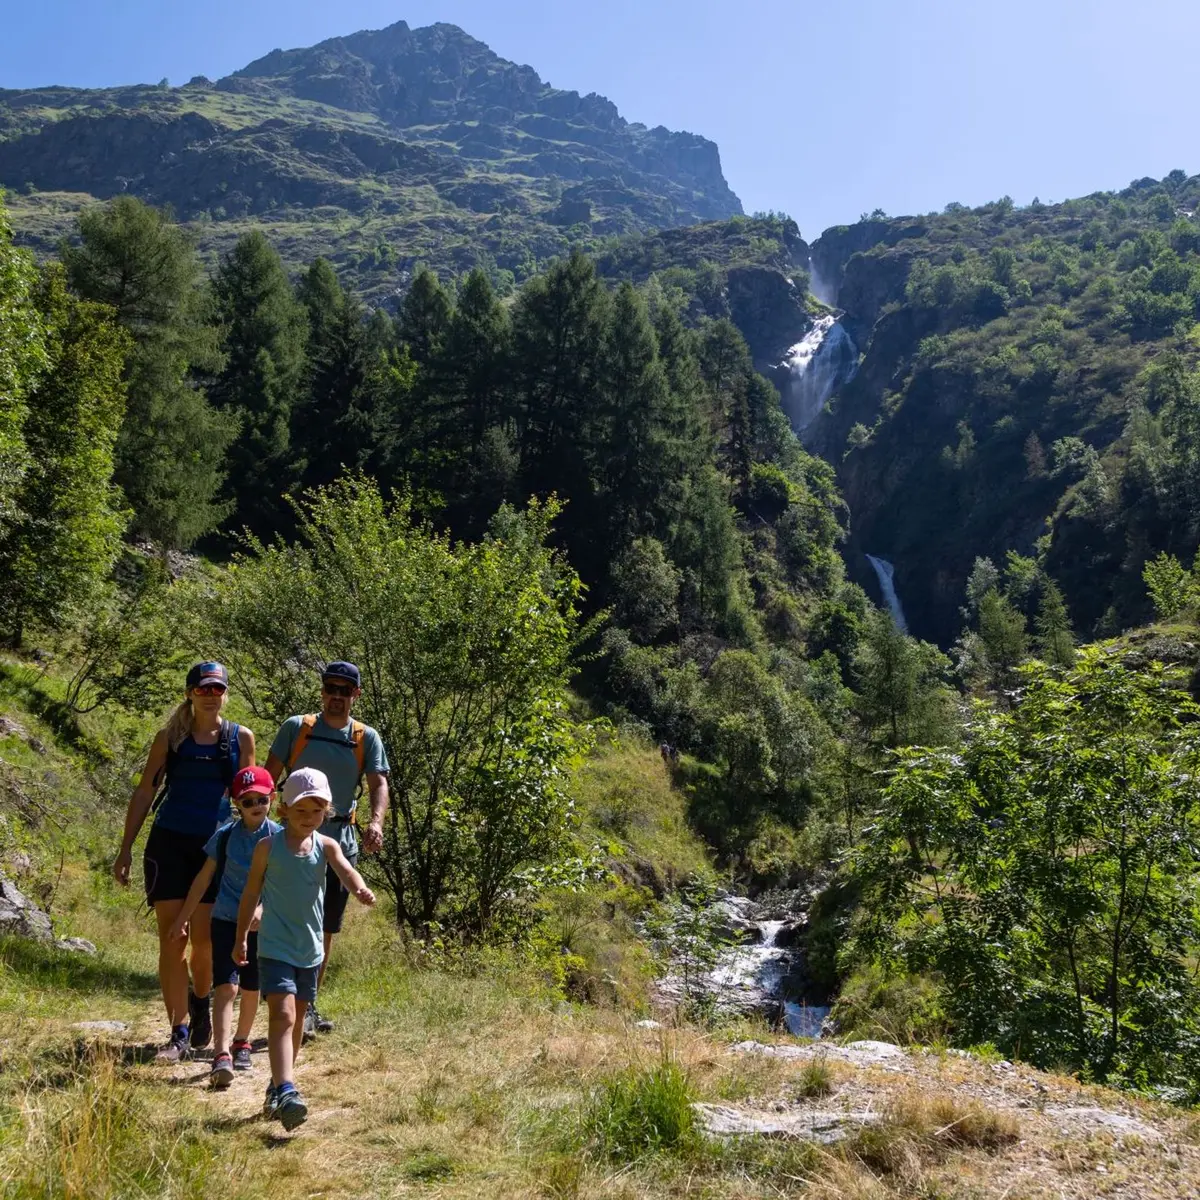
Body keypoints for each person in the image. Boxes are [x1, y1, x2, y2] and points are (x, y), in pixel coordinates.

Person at [113, 662, 255, 1063]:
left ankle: (199, 1000)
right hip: (169, 845)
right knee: (172, 939)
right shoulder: (170, 739)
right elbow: (144, 792)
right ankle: (177, 1032)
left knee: (205, 942)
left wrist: (254, 855)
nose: (211, 695)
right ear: (191, 693)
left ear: (225, 694)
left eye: (218, 689)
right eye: (204, 689)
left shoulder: (239, 738)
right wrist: (125, 848)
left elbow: (252, 798)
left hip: (215, 850)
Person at [236, 767, 375, 1131]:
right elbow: (251, 893)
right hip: (275, 946)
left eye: (316, 812)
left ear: (326, 812)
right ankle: (287, 1088)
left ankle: (278, 1086)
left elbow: (345, 870)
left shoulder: (326, 845)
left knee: (296, 1019)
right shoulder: (268, 847)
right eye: (301, 811)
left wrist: (359, 889)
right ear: (283, 809)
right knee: (281, 1015)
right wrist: (240, 937)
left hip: (310, 949)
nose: (308, 819)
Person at [265, 661, 388, 1035]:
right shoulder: (297, 728)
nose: (337, 696)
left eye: (344, 690)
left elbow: (378, 783)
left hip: (338, 843)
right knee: (282, 917)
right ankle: (274, 994)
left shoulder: (366, 738)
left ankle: (308, 1005)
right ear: (322, 691)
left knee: (325, 926)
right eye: (330, 688)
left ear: (356, 695)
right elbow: (267, 777)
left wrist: (376, 821)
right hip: (289, 841)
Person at [169, 765, 281, 1088]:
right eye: (248, 802)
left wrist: (265, 908)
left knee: (251, 987)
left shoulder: (278, 837)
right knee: (226, 987)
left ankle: (242, 1041)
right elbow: (202, 880)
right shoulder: (225, 837)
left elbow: (282, 883)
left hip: (261, 925)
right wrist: (181, 919)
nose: (256, 806)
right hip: (224, 920)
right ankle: (221, 1054)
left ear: (272, 798)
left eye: (262, 799)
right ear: (237, 804)